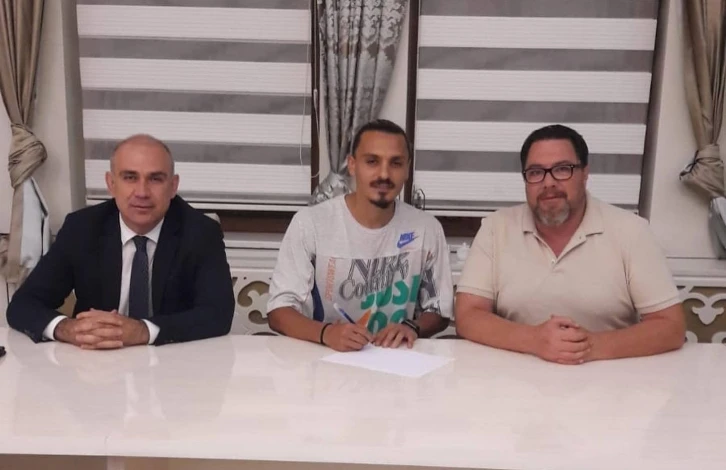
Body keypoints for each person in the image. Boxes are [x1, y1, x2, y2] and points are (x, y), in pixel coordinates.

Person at [455, 124, 685, 364]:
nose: (548, 182)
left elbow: (670, 326)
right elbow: (468, 315)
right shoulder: (496, 228)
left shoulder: (631, 230)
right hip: (514, 376)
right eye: (535, 172)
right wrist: (534, 340)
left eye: (562, 169)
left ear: (585, 174)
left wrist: (587, 346)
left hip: (609, 376)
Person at [7, 134, 235, 348]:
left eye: (155, 179)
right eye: (130, 177)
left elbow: (218, 314)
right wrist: (67, 328)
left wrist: (143, 331)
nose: (142, 192)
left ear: (173, 186)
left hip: (171, 362)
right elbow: (23, 304)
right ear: (111, 183)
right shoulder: (82, 228)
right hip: (96, 360)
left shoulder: (201, 233)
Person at [267, 119, 453, 351]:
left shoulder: (427, 228)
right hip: (322, 357)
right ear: (352, 165)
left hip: (397, 359)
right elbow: (279, 311)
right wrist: (326, 333)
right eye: (372, 161)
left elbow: (439, 311)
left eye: (396, 163)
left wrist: (412, 327)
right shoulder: (310, 224)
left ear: (407, 169)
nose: (384, 174)